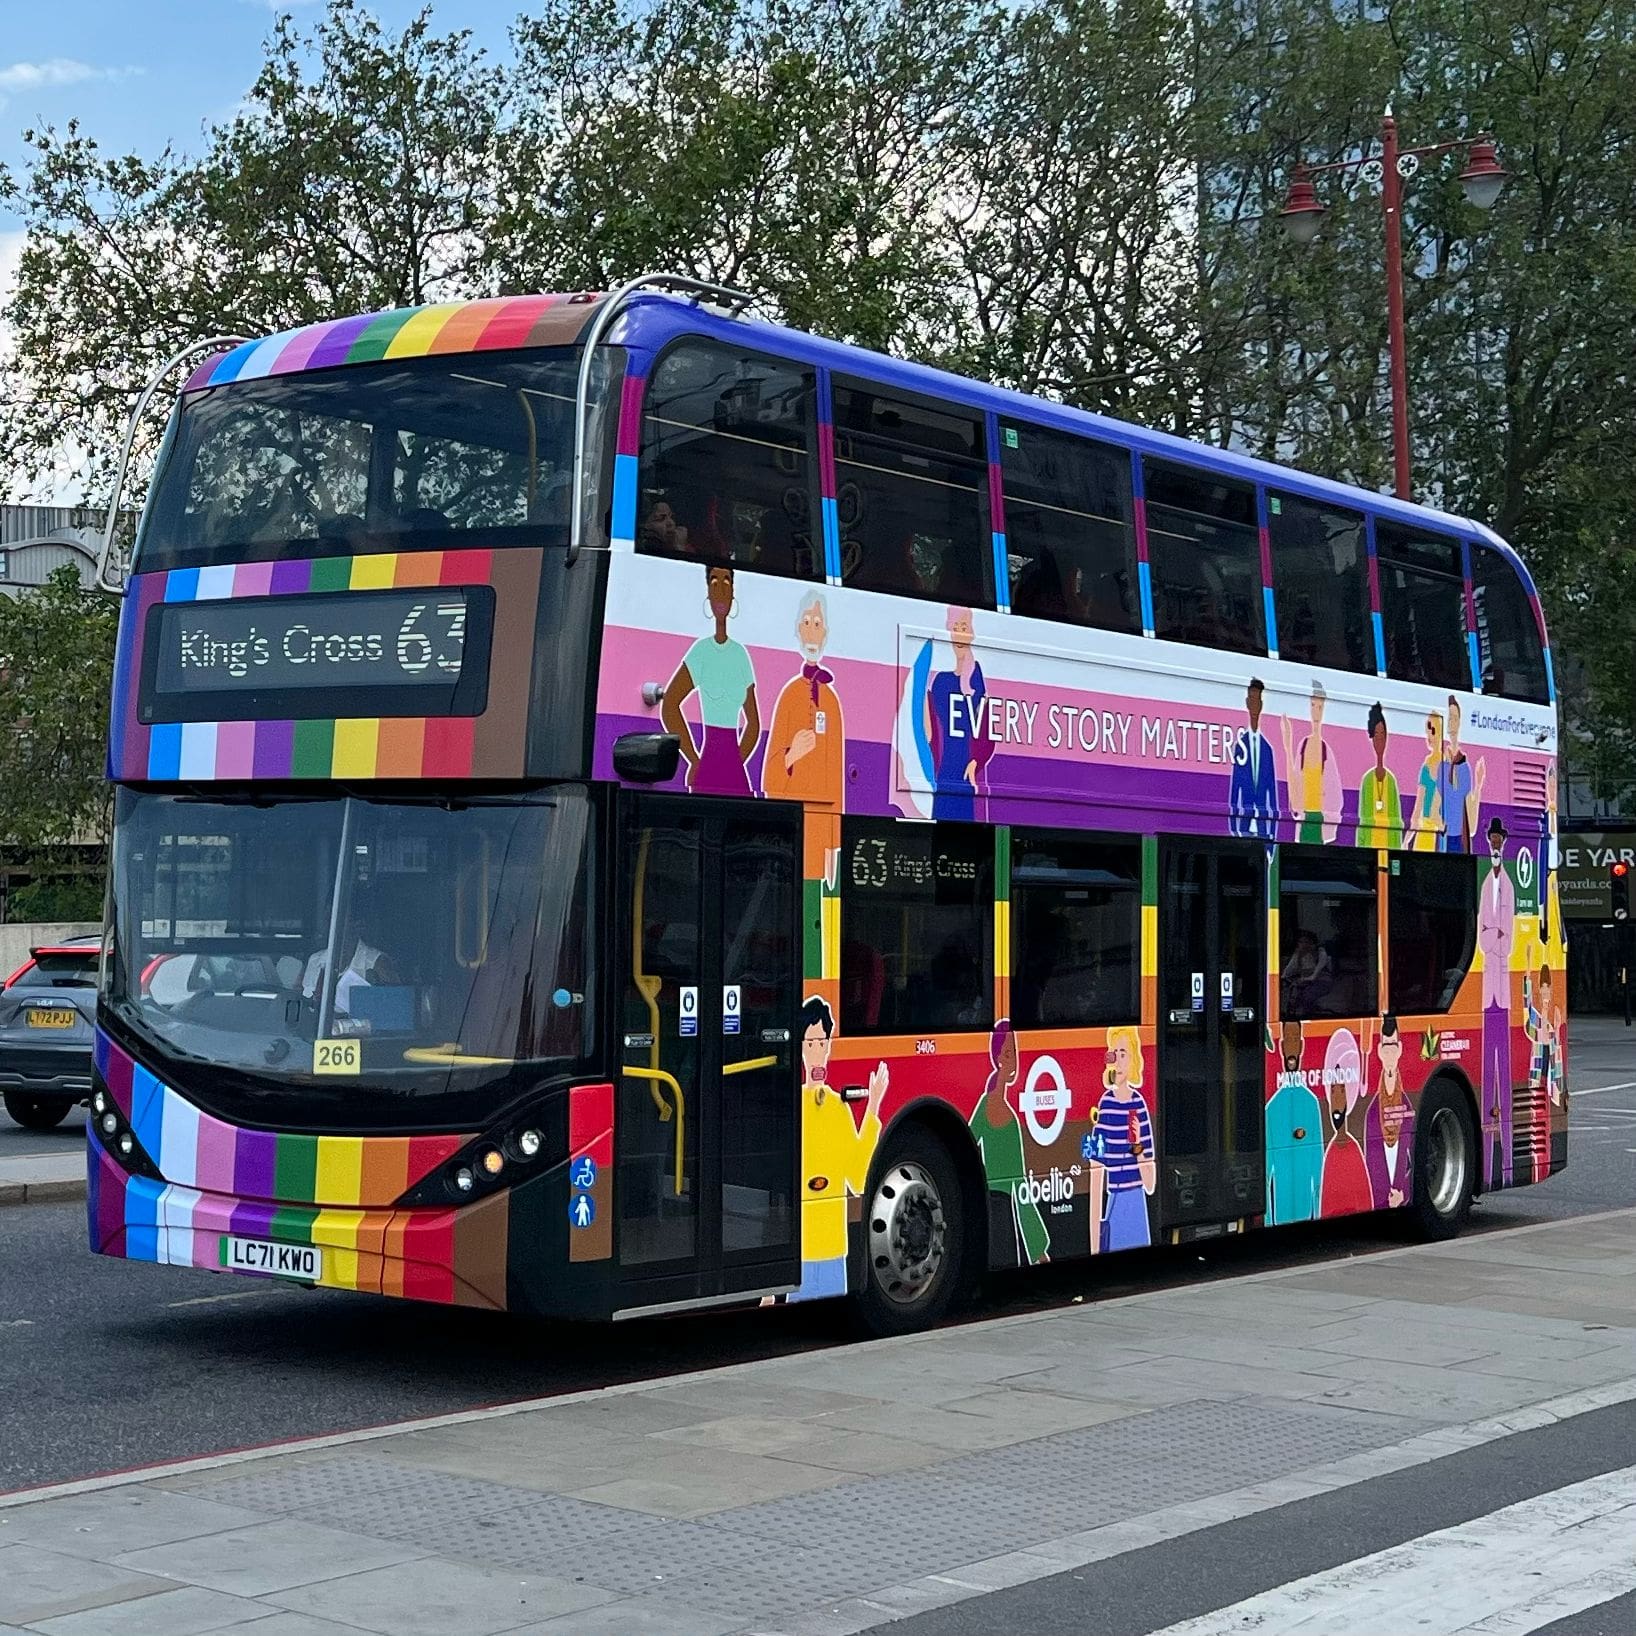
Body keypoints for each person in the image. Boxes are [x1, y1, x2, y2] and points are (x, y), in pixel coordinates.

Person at [792, 996, 887, 1300]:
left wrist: (872, 1107)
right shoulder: (790, 1108)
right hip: (800, 1252)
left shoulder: (837, 1106)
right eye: (809, 1044)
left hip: (834, 1253)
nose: (817, 1053)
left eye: (823, 1043)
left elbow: (857, 1178)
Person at [660, 564, 761, 796]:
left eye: (727, 582)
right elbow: (670, 705)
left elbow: (753, 723)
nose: (721, 590)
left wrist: (737, 760)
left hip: (734, 768)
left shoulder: (740, 655)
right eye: (714, 582)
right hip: (708, 761)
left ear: (734, 591)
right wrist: (694, 759)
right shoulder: (701, 652)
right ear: (707, 590)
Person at [969, 1021, 1050, 1266]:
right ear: (998, 1059)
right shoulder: (993, 1107)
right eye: (1007, 1053)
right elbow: (1020, 1184)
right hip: (1000, 1209)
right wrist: (1038, 1250)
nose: (1014, 1060)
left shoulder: (992, 1105)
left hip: (995, 1205)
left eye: (1014, 1052)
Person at [762, 590, 845, 807]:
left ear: (825, 634)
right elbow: (769, 776)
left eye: (817, 625)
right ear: (799, 630)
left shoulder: (831, 700)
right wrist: (791, 755)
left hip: (825, 812)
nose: (811, 633)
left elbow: (837, 779)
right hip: (791, 813)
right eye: (806, 623)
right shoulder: (790, 695)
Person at [1089, 1026, 1156, 1252]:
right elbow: (1095, 1170)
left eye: (1123, 1054)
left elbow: (1150, 1183)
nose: (1117, 1061)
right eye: (1113, 1054)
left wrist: (1137, 1146)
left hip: (1136, 1203)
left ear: (1134, 1060)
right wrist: (1094, 1245)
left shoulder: (1139, 1104)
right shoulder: (1105, 1105)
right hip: (1115, 1201)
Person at [926, 605, 992, 820]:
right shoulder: (940, 682)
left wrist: (975, 762)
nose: (960, 633)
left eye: (964, 626)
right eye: (956, 627)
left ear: (971, 632)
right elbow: (930, 730)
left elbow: (986, 729)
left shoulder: (976, 679)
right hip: (944, 769)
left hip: (965, 772)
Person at [1477, 816, 1516, 1187]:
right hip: (1485, 987)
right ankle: (1487, 1161)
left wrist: (1495, 936)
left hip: (1501, 990)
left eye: (1499, 838)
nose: (1495, 843)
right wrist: (1493, 935)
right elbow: (1483, 931)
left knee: (1504, 1072)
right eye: (1491, 838)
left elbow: (1509, 934)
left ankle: (1505, 1162)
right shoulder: (1486, 880)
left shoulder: (1505, 882)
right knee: (1485, 1079)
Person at [1265, 1022, 1323, 1225]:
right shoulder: (1272, 1107)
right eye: (1286, 1040)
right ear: (1280, 1047)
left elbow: (1318, 1164)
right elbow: (1266, 1172)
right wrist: (1269, 1218)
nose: (1291, 1046)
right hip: (1280, 1208)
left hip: (1307, 1207)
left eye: (1295, 1040)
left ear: (1301, 1045)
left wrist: (1317, 1211)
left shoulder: (1311, 1101)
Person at [1281, 680, 1342, 844]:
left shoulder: (1326, 751)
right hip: (1304, 822)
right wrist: (1288, 746)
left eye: (1320, 707)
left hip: (1321, 825)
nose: (1316, 712)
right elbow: (1294, 798)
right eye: (1313, 706)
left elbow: (1336, 799)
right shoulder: (1302, 747)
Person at [1318, 1028, 1372, 1215]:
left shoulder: (1354, 1151)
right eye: (1333, 1091)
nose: (1337, 1101)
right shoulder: (1330, 1153)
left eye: (1341, 1091)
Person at [1364, 1016, 1414, 1209]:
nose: (1390, 1054)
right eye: (1386, 1047)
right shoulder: (1372, 1112)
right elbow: (1372, 1163)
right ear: (1379, 1051)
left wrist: (1402, 1193)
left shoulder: (1408, 1107)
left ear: (1400, 1049)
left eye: (1393, 1046)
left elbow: (1411, 1157)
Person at [1229, 678, 1279, 838]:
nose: (1254, 705)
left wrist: (1272, 835)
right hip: (1243, 825)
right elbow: (1235, 790)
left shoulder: (1268, 749)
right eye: (1251, 699)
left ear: (1261, 704)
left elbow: (1272, 794)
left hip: (1263, 827)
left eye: (1257, 700)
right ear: (1247, 703)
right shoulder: (1240, 746)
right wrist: (1233, 828)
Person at [1440, 698, 1486, 854]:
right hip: (1442, 836)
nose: (1451, 723)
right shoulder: (1441, 764)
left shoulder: (1464, 766)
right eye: (1449, 718)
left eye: (1454, 718)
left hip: (1459, 837)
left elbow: (1470, 815)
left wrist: (1479, 785)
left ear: (1459, 722)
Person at [1356, 702, 1404, 849]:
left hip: (1390, 846)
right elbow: (1361, 821)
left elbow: (1398, 822)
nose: (1380, 740)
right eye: (1376, 735)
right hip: (1370, 847)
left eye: (1383, 734)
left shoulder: (1391, 780)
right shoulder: (1367, 780)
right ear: (1371, 738)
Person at [1411, 711, 1445, 851]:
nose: (1429, 736)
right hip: (1426, 827)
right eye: (1428, 731)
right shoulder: (1427, 765)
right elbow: (1418, 807)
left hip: (1437, 829)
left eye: (1433, 731)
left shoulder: (1447, 764)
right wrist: (1408, 838)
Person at [1281, 929, 1332, 1017]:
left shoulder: (1320, 953)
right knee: (1290, 996)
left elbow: (1315, 975)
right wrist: (1283, 978)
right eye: (1301, 942)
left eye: (1307, 942)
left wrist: (1307, 979)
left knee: (1307, 996)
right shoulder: (1298, 955)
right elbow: (1288, 970)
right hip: (1304, 982)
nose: (1304, 944)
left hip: (1321, 982)